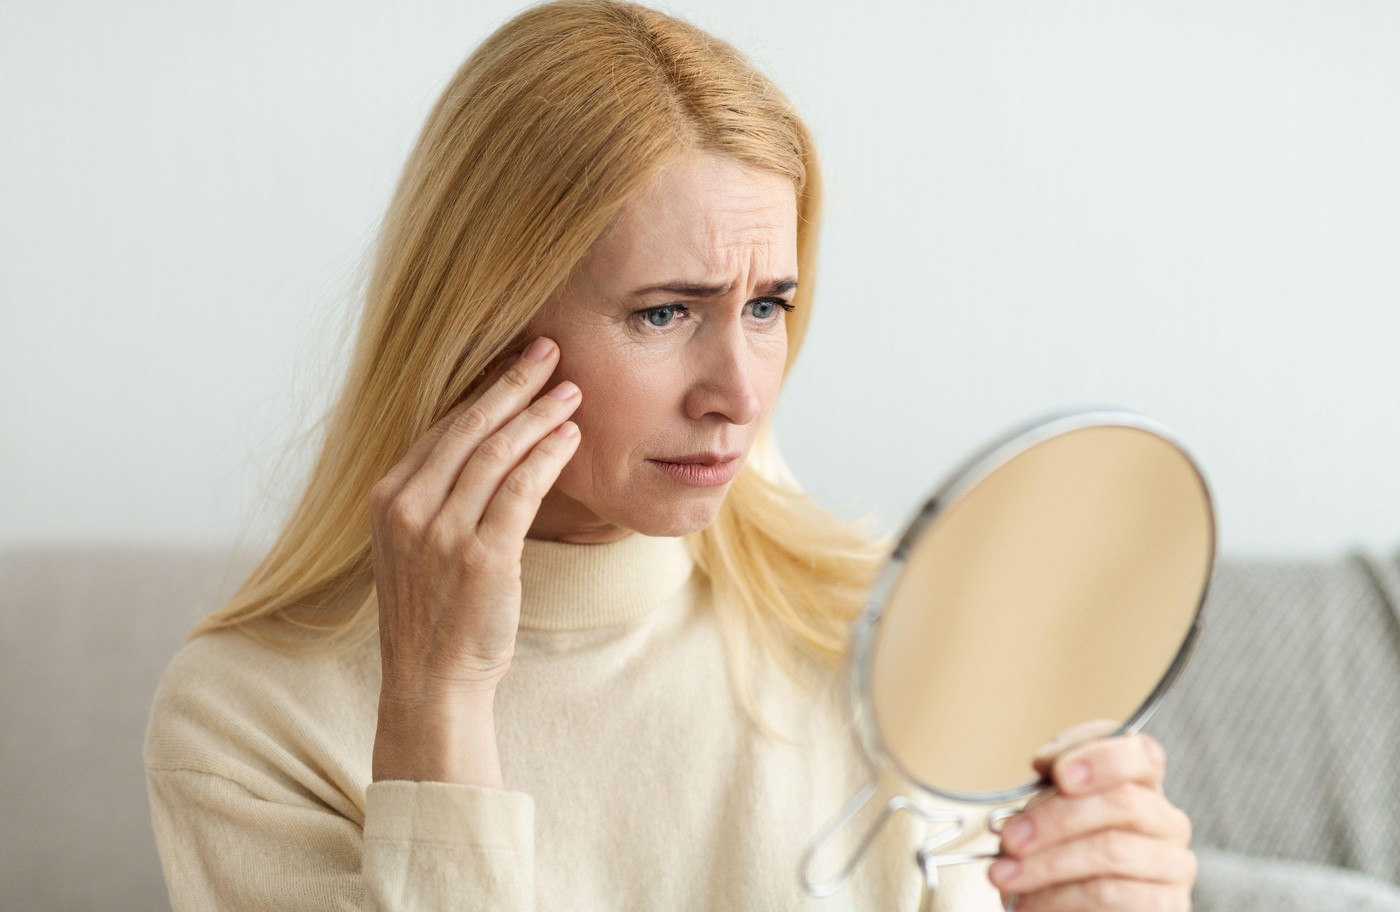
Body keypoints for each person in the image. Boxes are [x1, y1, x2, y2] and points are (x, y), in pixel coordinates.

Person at [144, 1, 1196, 909]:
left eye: (767, 305)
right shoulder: (246, 719)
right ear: (479, 323)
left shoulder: (882, 650)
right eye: (660, 314)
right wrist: (438, 708)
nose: (737, 394)